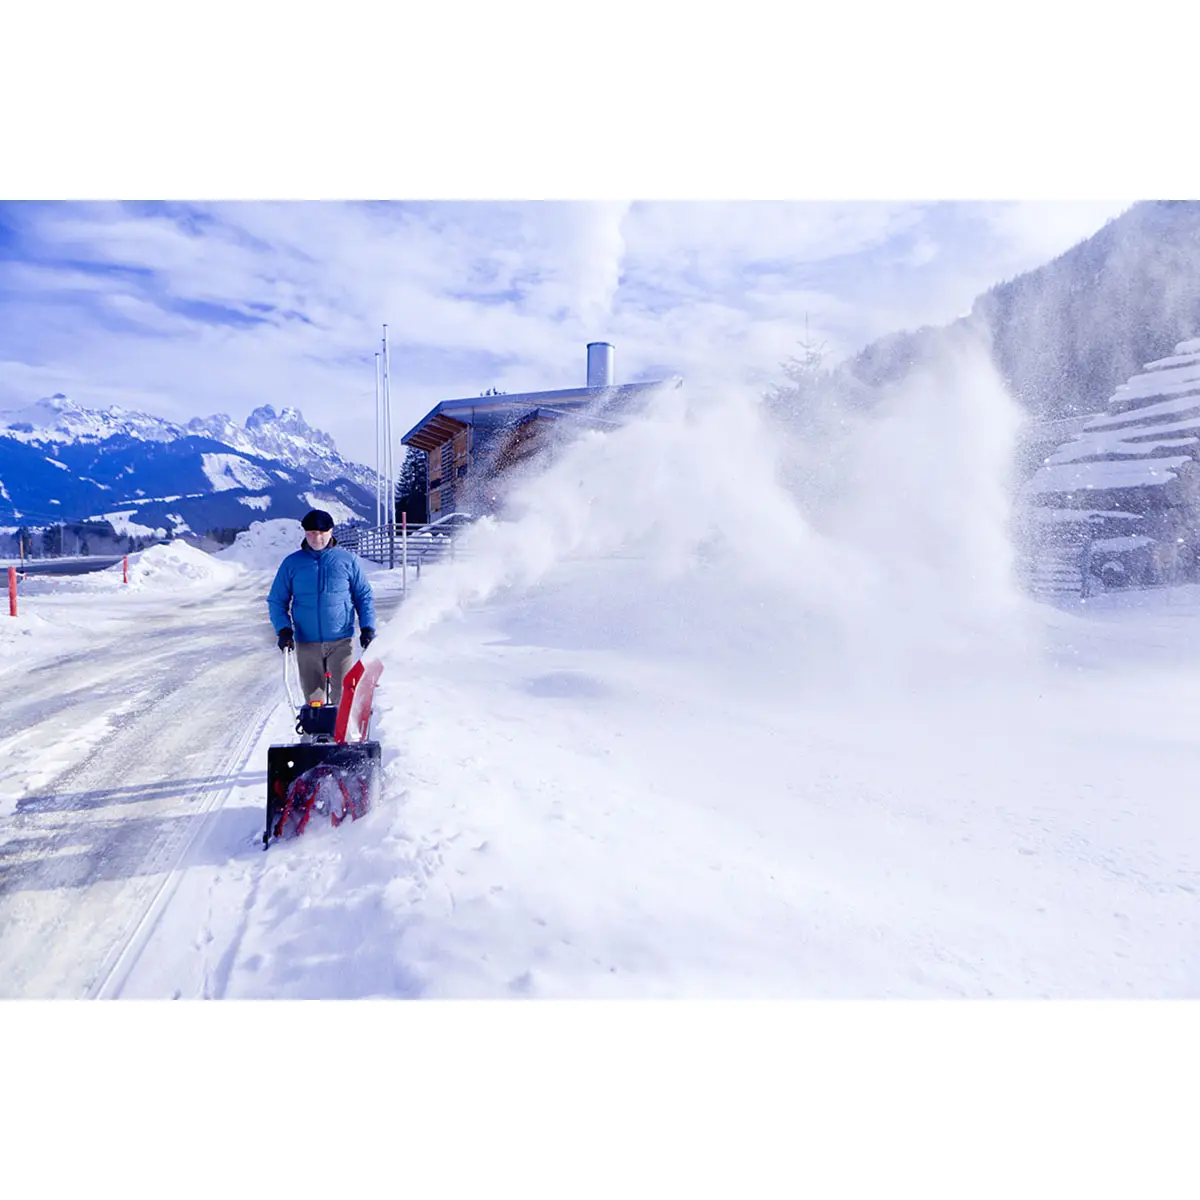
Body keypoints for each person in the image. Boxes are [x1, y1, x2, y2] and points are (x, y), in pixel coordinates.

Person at [268, 509, 377, 706]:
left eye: (321, 533)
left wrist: (367, 628)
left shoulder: (347, 561)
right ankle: (315, 725)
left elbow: (363, 596)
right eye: (311, 533)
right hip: (307, 643)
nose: (316, 538)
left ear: (331, 531)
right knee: (313, 703)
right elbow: (276, 600)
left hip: (341, 641)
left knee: (343, 700)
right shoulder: (292, 563)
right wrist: (284, 630)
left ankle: (340, 726)